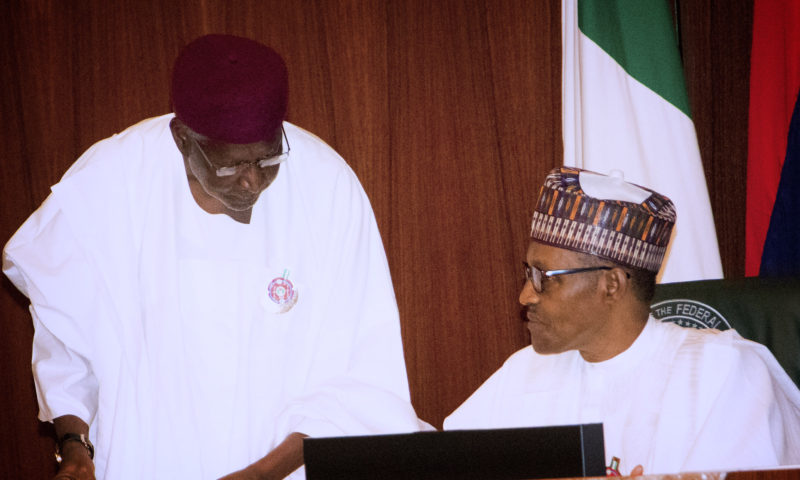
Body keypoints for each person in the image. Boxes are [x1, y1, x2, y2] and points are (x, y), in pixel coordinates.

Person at [3, 34, 423, 480]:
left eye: (267, 159)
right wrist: (75, 449)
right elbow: (67, 342)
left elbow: (363, 379)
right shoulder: (109, 185)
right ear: (183, 138)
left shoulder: (328, 187)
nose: (252, 182)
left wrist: (260, 475)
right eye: (231, 166)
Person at [444, 166, 800, 475]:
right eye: (528, 274)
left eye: (545, 277)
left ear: (610, 285)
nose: (525, 296)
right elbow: (442, 464)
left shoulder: (724, 372)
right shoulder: (523, 373)